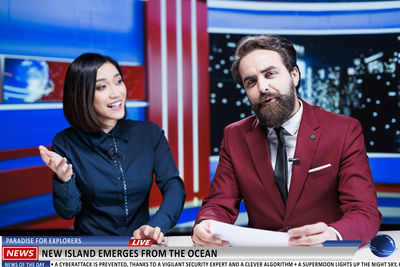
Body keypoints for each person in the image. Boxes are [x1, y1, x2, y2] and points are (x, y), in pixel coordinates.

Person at [192, 35, 381, 247]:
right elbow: (219, 203)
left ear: (294, 75)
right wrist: (205, 225)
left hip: (322, 256)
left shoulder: (344, 130)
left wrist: (333, 236)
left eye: (270, 74)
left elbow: (365, 212)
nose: (262, 87)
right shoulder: (234, 136)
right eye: (251, 81)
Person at [39, 53, 185, 243]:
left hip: (139, 246)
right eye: (102, 86)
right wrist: (64, 180)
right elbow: (68, 212)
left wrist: (156, 226)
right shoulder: (65, 142)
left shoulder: (149, 133)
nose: (116, 93)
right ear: (81, 95)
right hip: (92, 250)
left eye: (118, 82)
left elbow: (174, 186)